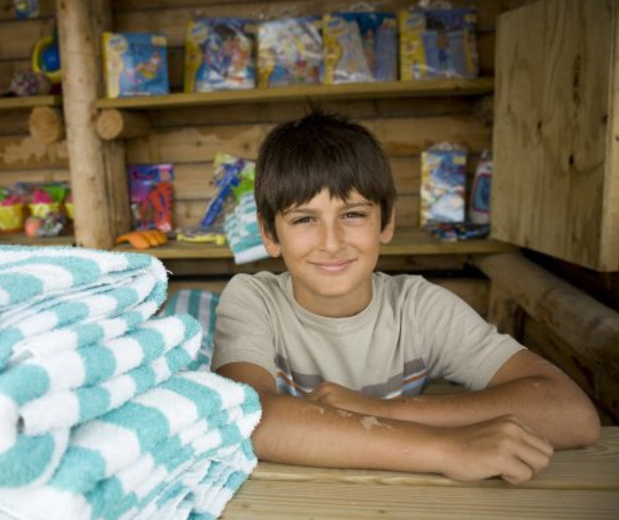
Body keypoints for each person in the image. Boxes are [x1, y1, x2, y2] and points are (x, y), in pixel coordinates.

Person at [211, 109, 600, 485]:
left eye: (353, 215)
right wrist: (447, 449)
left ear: (387, 221)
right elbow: (248, 417)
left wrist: (383, 411)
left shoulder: (420, 307)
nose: (331, 243)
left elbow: (572, 414)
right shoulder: (252, 299)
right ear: (269, 234)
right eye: (304, 219)